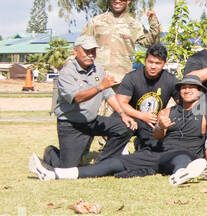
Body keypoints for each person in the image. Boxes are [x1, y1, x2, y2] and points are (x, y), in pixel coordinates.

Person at [30, 74, 207, 182]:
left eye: (193, 88)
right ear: (180, 91)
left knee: (181, 156)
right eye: (184, 88)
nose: (188, 90)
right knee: (113, 163)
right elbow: (158, 137)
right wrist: (160, 124)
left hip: (188, 155)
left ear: (200, 92)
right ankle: (55, 174)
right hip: (159, 154)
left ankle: (180, 174)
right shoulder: (167, 111)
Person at [31, 35, 132, 173]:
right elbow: (77, 98)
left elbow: (108, 94)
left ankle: (101, 163)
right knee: (68, 168)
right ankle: (51, 153)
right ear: (75, 51)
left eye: (93, 51)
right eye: (87, 51)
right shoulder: (67, 73)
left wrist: (123, 114)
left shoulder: (98, 69)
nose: (90, 55)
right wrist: (99, 87)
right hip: (71, 124)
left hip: (91, 121)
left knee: (125, 127)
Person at [81, 0, 162, 80]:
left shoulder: (135, 25)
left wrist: (153, 22)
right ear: (111, 0)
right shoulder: (96, 22)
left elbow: (151, 43)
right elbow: (81, 44)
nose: (117, 1)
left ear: (128, 1)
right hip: (96, 77)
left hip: (122, 79)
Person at [108, 42, 177, 152]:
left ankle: (140, 145)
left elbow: (182, 104)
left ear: (164, 63)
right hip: (129, 117)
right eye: (150, 62)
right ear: (145, 60)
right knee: (119, 124)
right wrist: (141, 115)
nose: (153, 66)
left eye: (158, 63)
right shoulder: (132, 77)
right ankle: (117, 150)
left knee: (153, 152)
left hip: (152, 123)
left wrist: (164, 115)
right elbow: (120, 103)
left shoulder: (171, 80)